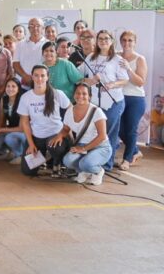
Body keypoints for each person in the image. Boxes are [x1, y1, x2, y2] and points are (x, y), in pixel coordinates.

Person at [78, 29, 128, 170]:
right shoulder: (90, 58)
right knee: (95, 133)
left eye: (106, 38)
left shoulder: (117, 59)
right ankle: (93, 161)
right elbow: (79, 77)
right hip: (94, 103)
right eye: (100, 38)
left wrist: (112, 84)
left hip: (113, 102)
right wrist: (90, 80)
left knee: (109, 134)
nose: (103, 41)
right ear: (97, 41)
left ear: (111, 41)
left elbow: (125, 80)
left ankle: (107, 165)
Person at [18, 65, 72, 176]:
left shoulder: (57, 93)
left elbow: (72, 111)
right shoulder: (25, 97)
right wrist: (31, 144)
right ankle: (45, 158)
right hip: (37, 136)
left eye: (43, 75)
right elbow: (25, 122)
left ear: (47, 77)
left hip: (55, 134)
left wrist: (63, 133)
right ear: (32, 77)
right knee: (28, 171)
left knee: (54, 146)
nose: (39, 79)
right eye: (36, 75)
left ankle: (57, 162)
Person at [60, 83, 112, 185]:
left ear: (90, 96)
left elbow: (102, 136)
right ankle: (84, 172)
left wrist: (83, 149)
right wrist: (59, 136)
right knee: (67, 161)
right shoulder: (70, 111)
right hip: (82, 145)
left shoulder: (97, 111)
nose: (80, 96)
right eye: (78, 93)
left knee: (86, 163)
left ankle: (98, 171)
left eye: (84, 94)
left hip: (100, 146)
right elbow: (65, 129)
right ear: (74, 95)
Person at [118, 30, 148, 170]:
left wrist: (129, 69)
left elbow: (140, 82)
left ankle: (127, 159)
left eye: (130, 40)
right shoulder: (116, 56)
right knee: (117, 129)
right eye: (124, 40)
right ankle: (135, 151)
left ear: (135, 42)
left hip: (135, 99)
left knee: (130, 130)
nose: (126, 43)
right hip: (117, 97)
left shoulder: (140, 59)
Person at [0, 79, 27, 164]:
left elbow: (21, 128)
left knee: (9, 138)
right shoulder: (4, 99)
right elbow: (0, 119)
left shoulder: (22, 101)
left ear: (18, 88)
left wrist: (1, 130)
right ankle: (11, 150)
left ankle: (21, 155)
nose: (10, 89)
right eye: (8, 86)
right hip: (11, 130)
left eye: (13, 86)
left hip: (24, 132)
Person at [13, 18, 48, 89]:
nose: (35, 28)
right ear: (28, 28)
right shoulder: (20, 44)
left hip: (41, 85)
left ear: (43, 28)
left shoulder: (48, 44)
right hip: (22, 85)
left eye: (38, 26)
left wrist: (37, 78)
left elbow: (51, 64)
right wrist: (25, 76)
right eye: (32, 25)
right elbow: (15, 63)